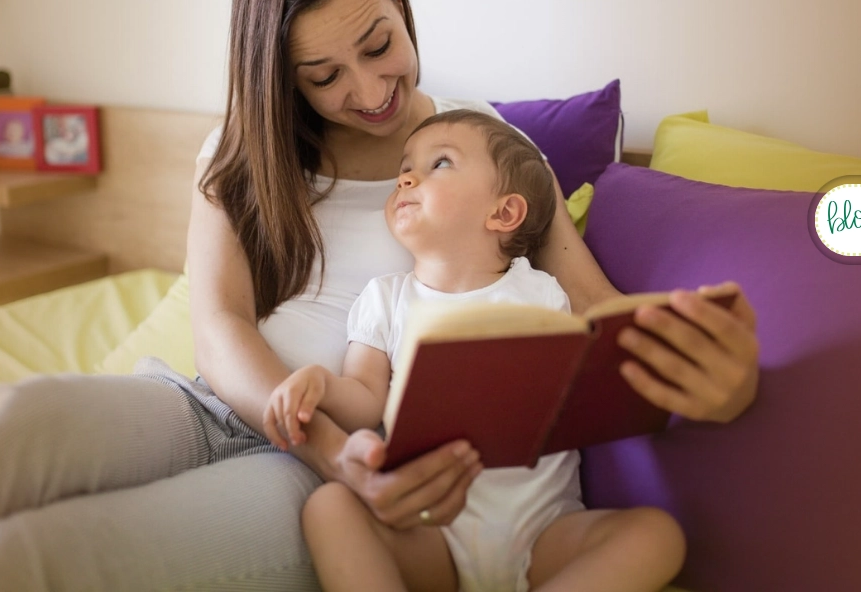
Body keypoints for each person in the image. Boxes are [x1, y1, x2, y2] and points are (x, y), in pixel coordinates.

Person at [0, 0, 758, 592]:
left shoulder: (481, 149)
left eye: (378, 44)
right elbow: (216, 324)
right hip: (212, 407)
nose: (367, 92)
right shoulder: (242, 149)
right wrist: (322, 440)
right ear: (282, 76)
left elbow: (591, 302)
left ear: (399, 0)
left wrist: (716, 381)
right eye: (321, 76)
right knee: (10, 422)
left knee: (43, 554)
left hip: (326, 476)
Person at [265, 109, 687, 592]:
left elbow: (583, 385)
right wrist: (318, 384)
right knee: (328, 507)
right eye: (405, 167)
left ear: (503, 213)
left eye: (439, 163)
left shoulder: (542, 292)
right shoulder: (385, 298)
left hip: (543, 530)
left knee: (657, 534)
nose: (406, 177)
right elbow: (363, 399)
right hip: (433, 533)